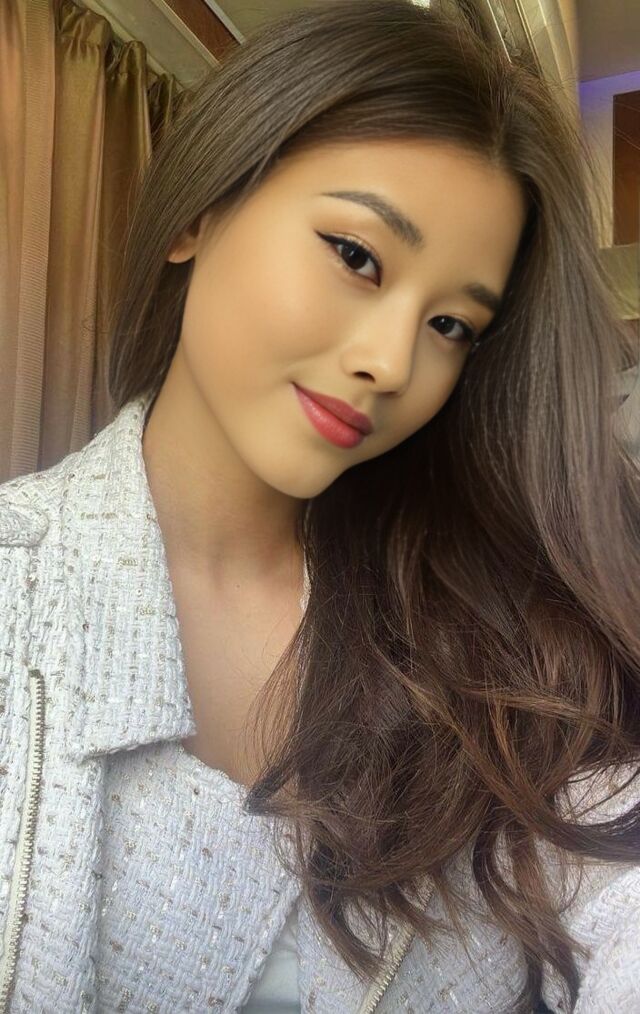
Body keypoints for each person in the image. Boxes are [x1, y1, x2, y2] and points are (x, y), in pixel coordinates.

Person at [0, 1, 638, 1011]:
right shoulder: (16, 586)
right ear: (200, 212)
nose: (391, 362)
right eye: (356, 256)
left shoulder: (486, 630)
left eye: (450, 325)